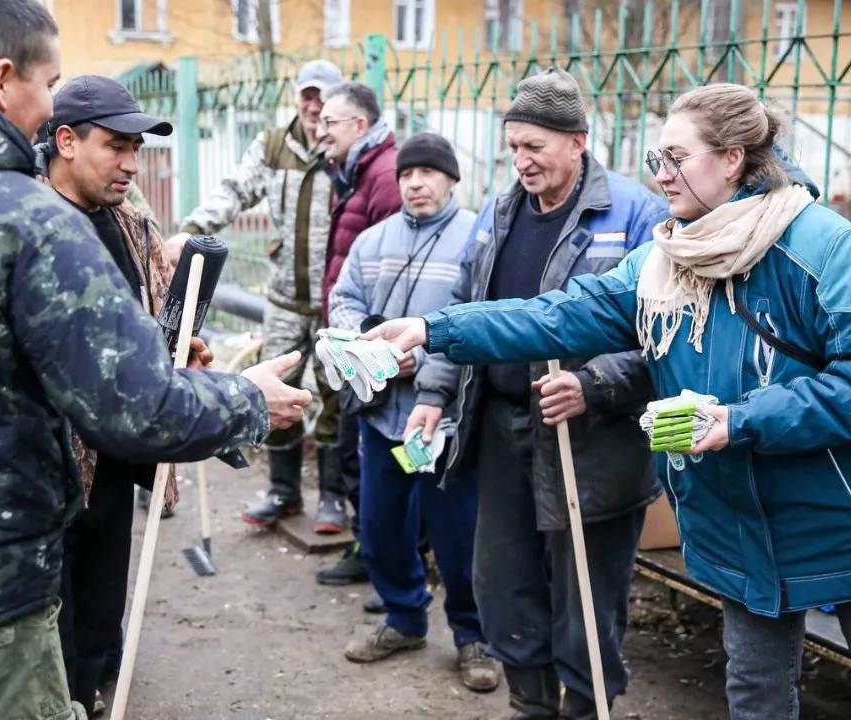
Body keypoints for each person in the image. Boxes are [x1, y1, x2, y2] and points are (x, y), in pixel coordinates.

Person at [366, 82, 851, 720]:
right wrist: (434, 331)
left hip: (833, 520)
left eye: (676, 158)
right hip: (738, 523)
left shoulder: (820, 247)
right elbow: (558, 316)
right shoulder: (665, 258)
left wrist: (737, 421)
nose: (660, 176)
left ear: (732, 158)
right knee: (756, 695)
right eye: (657, 159)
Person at [0, 2, 311, 719]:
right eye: (48, 81)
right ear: (2, 80)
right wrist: (245, 400)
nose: (127, 162)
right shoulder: (26, 219)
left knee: (99, 606)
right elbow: (139, 406)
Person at [386, 67, 668, 720]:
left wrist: (595, 384)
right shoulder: (499, 209)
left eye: (535, 146)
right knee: (503, 583)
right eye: (513, 146)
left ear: (578, 140)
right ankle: (530, 706)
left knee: (586, 597)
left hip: (591, 442)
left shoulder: (634, 215)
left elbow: (667, 334)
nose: (521, 160)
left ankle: (586, 706)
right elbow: (465, 305)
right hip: (500, 427)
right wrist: (433, 392)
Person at [34, 74, 201, 717]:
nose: (132, 164)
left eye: (137, 148)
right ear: (67, 141)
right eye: (117, 146)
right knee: (54, 611)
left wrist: (181, 350)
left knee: (105, 592)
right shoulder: (29, 221)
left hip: (114, 454)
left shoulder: (131, 223)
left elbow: (155, 311)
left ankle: (102, 684)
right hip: (47, 463)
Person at [328, 133, 498, 692]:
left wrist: (418, 355)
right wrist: (367, 348)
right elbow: (343, 299)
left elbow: (480, 315)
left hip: (446, 420)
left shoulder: (478, 237)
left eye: (428, 173)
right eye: (407, 174)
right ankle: (403, 619)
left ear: (452, 179)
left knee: (457, 534)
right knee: (378, 527)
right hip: (382, 417)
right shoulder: (374, 240)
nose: (415, 183)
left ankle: (474, 637)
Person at [165, 60, 354, 535]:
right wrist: (189, 234)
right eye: (306, 96)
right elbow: (234, 192)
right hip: (286, 298)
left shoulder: (345, 150)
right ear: (296, 97)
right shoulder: (273, 145)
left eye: (322, 97)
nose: (313, 106)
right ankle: (283, 492)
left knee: (335, 392)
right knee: (279, 386)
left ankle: (332, 497)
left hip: (335, 302)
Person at [313, 81, 403, 594]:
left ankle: (382, 557)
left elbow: (389, 267)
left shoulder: (383, 176)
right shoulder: (352, 172)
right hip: (355, 338)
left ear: (360, 127)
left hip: (375, 344)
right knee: (356, 447)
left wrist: (373, 342)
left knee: (370, 452)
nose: (320, 130)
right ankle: (370, 548)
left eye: (330, 122)